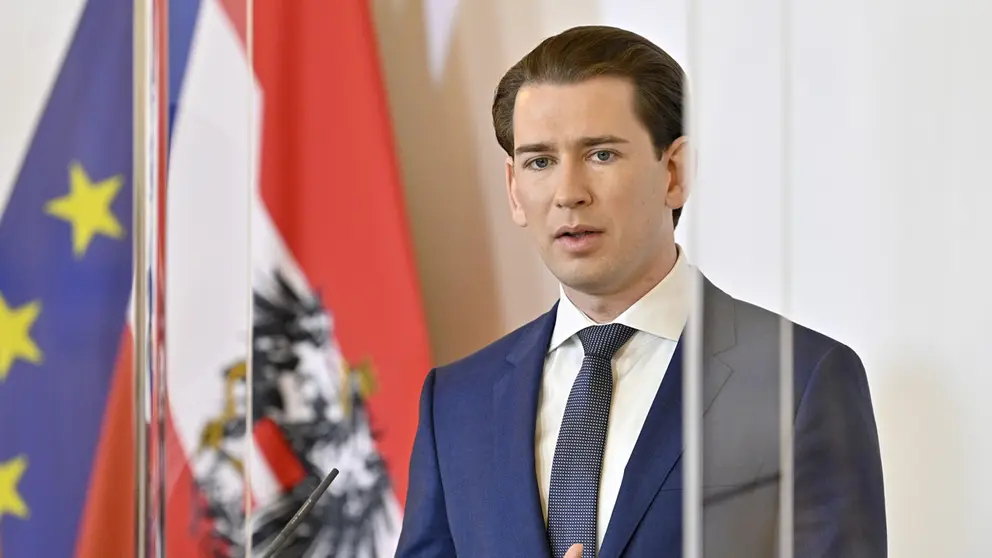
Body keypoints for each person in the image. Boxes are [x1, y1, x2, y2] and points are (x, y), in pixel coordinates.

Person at [394, 25, 886, 558]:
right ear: (514, 189)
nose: (568, 193)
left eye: (601, 154)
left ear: (673, 171)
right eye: (540, 161)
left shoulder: (801, 380)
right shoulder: (457, 402)